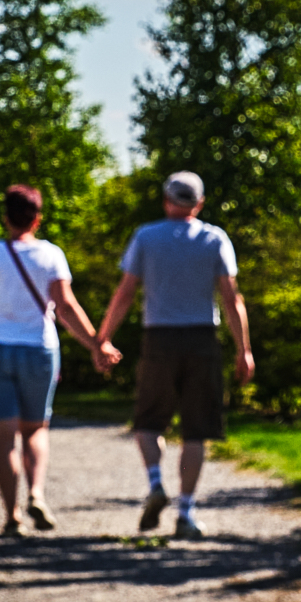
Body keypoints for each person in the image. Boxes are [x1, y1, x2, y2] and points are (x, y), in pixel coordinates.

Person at [86, 170, 252, 536]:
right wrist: (244, 350)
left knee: (147, 422)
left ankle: (156, 483)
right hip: (202, 340)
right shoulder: (215, 239)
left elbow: (126, 292)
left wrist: (103, 338)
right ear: (200, 203)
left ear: (166, 200)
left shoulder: (146, 237)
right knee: (197, 430)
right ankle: (186, 513)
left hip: (158, 339)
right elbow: (230, 298)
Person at [0, 185, 103, 536]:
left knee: (3, 436)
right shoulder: (51, 255)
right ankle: (36, 493)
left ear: (5, 218)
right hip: (39, 349)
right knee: (35, 428)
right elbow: (66, 308)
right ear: (37, 219)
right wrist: (96, 343)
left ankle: (12, 517)